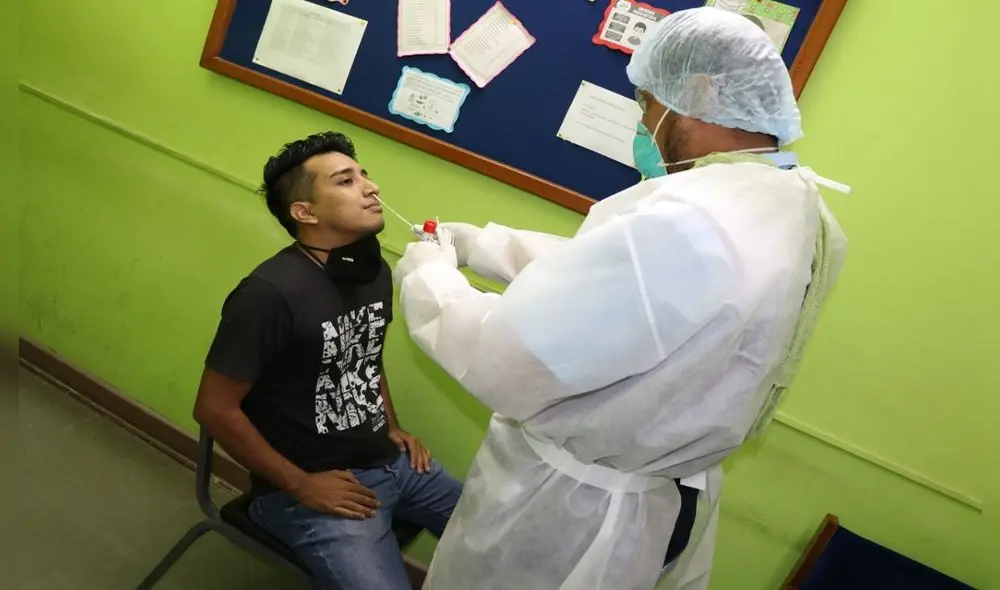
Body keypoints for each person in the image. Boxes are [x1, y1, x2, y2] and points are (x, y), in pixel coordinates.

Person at [393, 7, 848, 590]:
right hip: (666, 489)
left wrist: (430, 278)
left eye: (647, 105)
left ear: (700, 90)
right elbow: (631, 294)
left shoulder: (690, 218)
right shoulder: (791, 206)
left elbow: (509, 355)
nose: (643, 123)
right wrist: (487, 247)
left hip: (569, 513)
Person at [193, 131, 462, 590]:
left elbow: (363, 356)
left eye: (364, 175)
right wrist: (300, 485)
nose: (371, 187)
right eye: (346, 181)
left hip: (390, 460)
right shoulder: (268, 295)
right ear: (305, 212)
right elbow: (213, 409)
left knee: (510, 542)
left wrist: (390, 426)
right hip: (308, 490)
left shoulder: (371, 269)